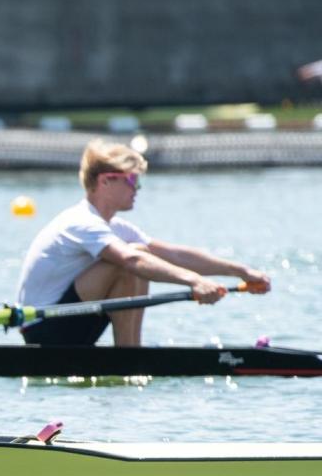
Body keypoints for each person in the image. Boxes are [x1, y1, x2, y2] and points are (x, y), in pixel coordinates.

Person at [16, 139, 271, 346]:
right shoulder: (81, 222)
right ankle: (130, 355)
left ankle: (130, 352)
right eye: (131, 180)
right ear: (105, 181)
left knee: (141, 252)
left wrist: (240, 270)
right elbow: (132, 260)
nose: (137, 188)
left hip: (70, 324)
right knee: (132, 257)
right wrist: (194, 281)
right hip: (44, 330)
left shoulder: (113, 227)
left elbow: (174, 255)